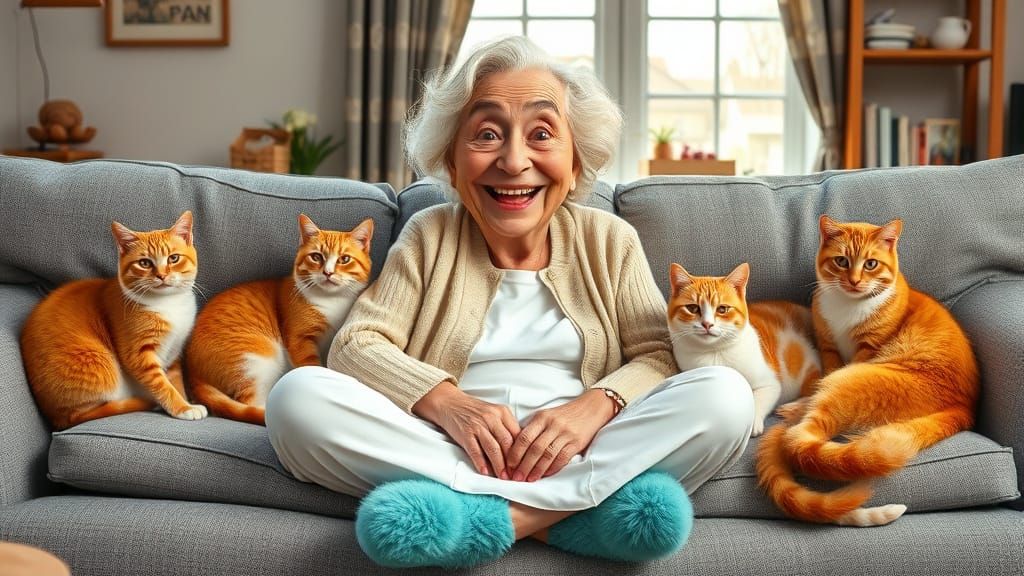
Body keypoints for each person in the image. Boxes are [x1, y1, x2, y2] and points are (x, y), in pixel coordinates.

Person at [265, 36, 753, 569]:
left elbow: (661, 355)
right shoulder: (429, 234)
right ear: (452, 163)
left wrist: (596, 407)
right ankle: (572, 516)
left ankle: (483, 519)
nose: (514, 160)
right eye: (487, 134)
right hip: (448, 444)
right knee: (297, 398)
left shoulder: (610, 239)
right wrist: (449, 405)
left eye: (542, 134)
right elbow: (357, 345)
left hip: (587, 445)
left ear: (575, 162)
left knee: (725, 395)